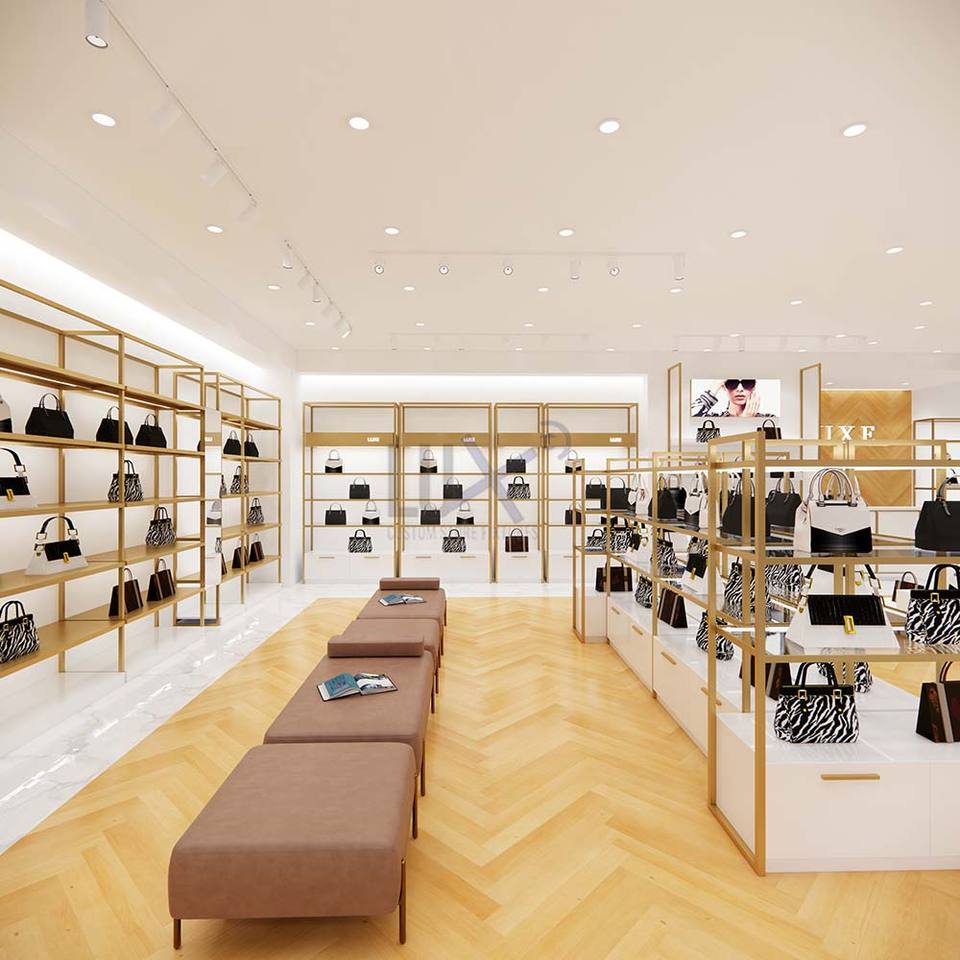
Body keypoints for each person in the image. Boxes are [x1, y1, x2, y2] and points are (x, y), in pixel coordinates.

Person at [692, 379, 774, 418]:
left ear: (754, 387)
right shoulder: (716, 419)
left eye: (747, 383)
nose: (740, 389)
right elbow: (689, 418)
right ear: (723, 386)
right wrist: (716, 384)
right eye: (732, 383)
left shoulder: (768, 419)